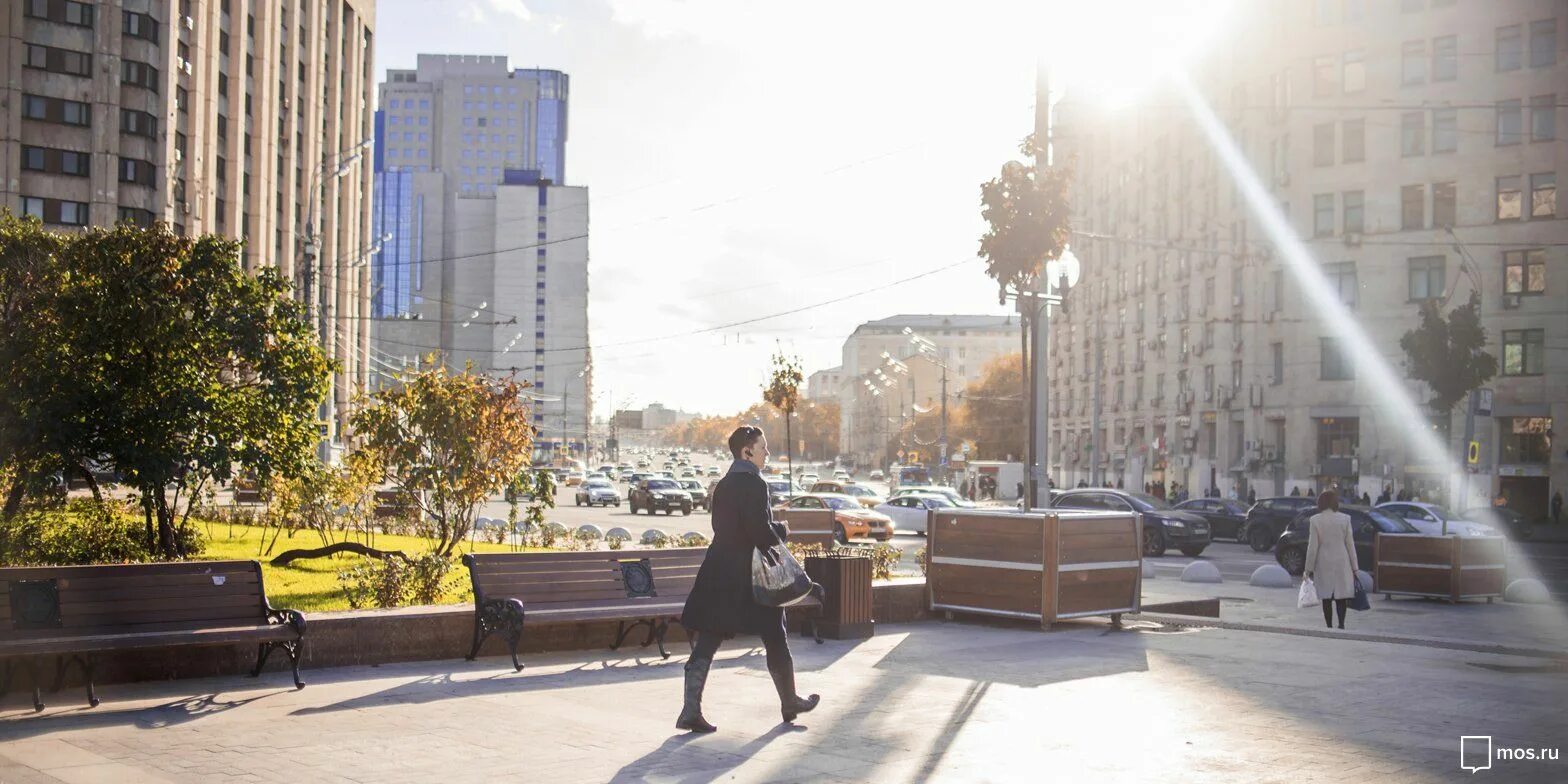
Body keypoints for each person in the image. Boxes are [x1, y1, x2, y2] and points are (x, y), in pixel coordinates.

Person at [677, 426, 819, 733]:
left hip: (719, 571)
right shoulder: (755, 484)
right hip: (750, 576)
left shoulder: (724, 484)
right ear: (747, 451)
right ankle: (789, 701)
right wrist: (781, 530)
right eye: (763, 447)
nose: (767, 453)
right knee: (775, 633)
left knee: (710, 636)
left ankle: (690, 710)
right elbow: (759, 532)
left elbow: (722, 527)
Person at [1305, 489, 1359, 630]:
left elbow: (1312, 547)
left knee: (1326, 596)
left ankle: (1329, 625)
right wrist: (1355, 567)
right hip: (1342, 561)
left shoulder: (1315, 520)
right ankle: (1341, 624)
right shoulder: (1345, 519)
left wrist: (1308, 569)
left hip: (1323, 561)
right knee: (1341, 596)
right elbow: (1350, 544)